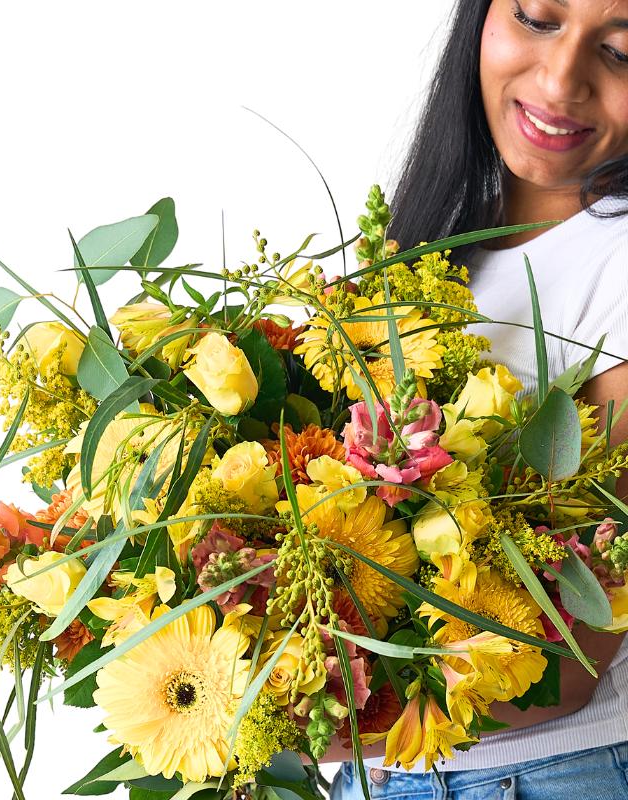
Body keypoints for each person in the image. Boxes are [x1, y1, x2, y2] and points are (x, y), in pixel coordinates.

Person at [329, 0, 628, 796]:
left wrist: (290, 709)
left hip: (537, 775)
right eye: (537, 17)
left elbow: (570, 659)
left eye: (623, 51)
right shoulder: (443, 239)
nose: (563, 78)